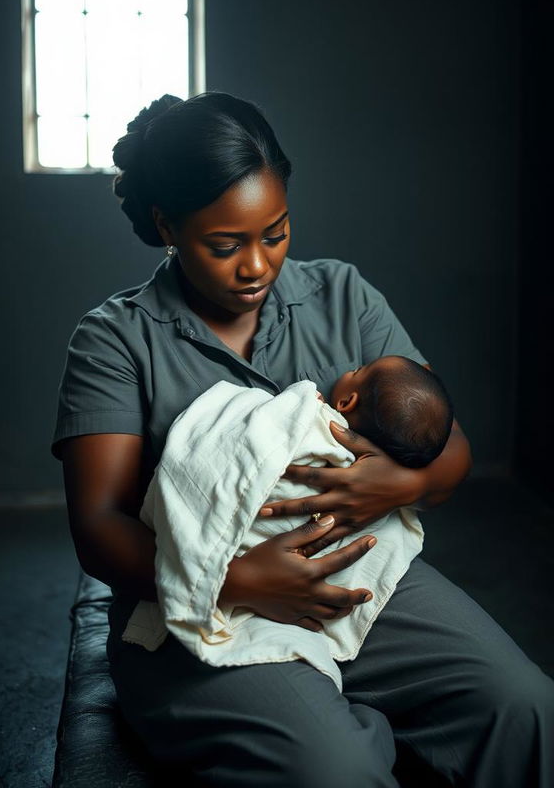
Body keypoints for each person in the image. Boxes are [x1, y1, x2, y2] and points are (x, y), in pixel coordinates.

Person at [51, 91, 554, 788]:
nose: (257, 266)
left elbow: (451, 448)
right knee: (333, 769)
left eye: (276, 233)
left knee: (525, 706)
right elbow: (98, 527)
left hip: (359, 580)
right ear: (168, 225)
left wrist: (403, 483)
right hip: (196, 612)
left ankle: (348, 708)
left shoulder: (344, 296)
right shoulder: (115, 339)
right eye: (224, 245)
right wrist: (235, 579)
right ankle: (349, 727)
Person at [120, 358, 453, 691]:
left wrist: (400, 484)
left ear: (347, 402)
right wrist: (239, 581)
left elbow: (241, 443)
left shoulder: (314, 418)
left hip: (220, 576)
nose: (350, 371)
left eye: (358, 372)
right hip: (222, 585)